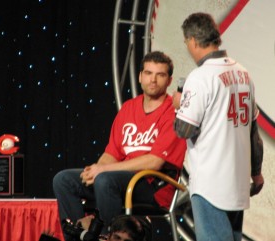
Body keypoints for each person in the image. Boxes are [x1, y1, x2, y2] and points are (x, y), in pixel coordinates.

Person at [53, 51, 187, 241]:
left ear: (169, 80)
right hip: (117, 180)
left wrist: (104, 171)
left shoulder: (174, 112)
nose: (153, 80)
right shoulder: (128, 108)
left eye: (160, 75)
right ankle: (81, 237)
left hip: (153, 185)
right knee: (64, 179)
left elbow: (155, 161)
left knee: (105, 180)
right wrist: (96, 169)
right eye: (148, 73)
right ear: (140, 76)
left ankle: (109, 237)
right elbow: (112, 152)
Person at [173, 12, 264, 241]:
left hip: (210, 185)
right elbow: (254, 133)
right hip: (237, 183)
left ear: (193, 40)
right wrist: (256, 172)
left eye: (186, 43)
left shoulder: (201, 77)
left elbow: (184, 130)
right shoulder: (243, 72)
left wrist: (179, 104)